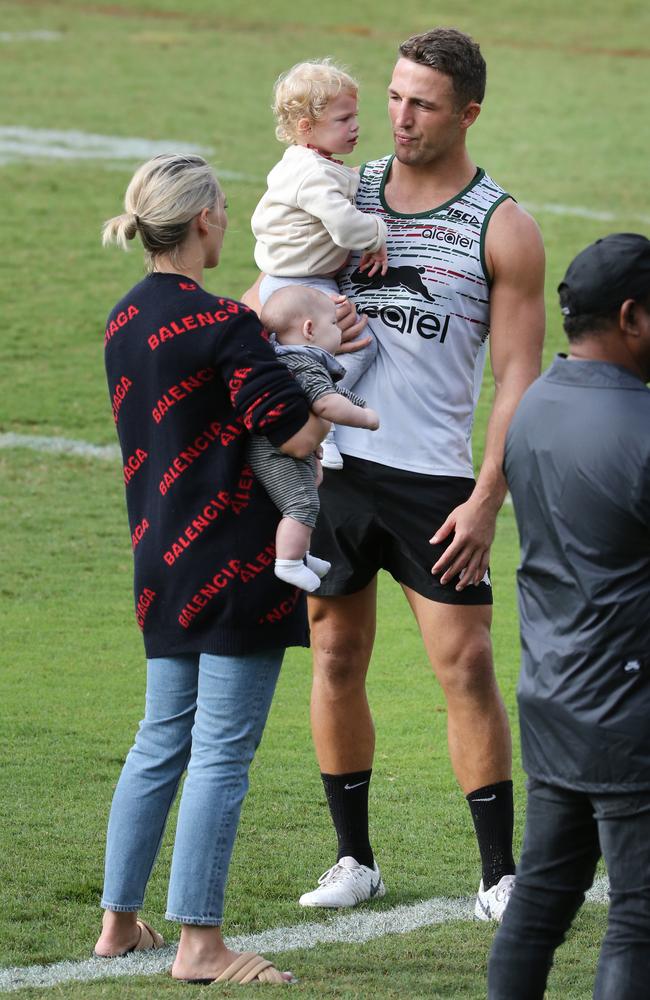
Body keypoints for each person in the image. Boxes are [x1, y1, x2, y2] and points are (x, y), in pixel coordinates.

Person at [245, 27, 546, 916]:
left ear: (468, 113)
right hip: (334, 470)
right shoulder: (340, 182)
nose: (400, 117)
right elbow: (270, 292)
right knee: (333, 657)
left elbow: (518, 375)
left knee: (466, 667)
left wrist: (490, 493)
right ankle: (355, 861)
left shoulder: (503, 225)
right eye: (392, 95)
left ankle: (498, 874)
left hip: (435, 481)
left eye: (422, 102)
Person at [94, 153, 328, 985]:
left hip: (159, 557)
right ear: (201, 222)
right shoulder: (225, 323)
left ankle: (119, 923)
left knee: (160, 741)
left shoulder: (125, 319)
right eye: (223, 209)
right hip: (233, 562)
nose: (228, 220)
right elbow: (294, 431)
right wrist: (325, 365)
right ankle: (200, 945)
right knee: (222, 755)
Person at [488, 233, 650, 999]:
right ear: (632, 319)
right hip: (630, 716)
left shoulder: (535, 406)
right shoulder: (641, 430)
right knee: (641, 917)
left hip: (553, 701)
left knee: (542, 904)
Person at [251, 57, 387, 470]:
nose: (355, 126)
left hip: (288, 282)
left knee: (304, 354)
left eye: (355, 116)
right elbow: (346, 228)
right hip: (303, 288)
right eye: (343, 119)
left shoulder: (307, 163)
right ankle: (325, 419)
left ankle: (308, 414)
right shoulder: (312, 173)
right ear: (307, 127)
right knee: (362, 345)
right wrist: (378, 233)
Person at [248, 285, 379, 592]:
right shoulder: (304, 362)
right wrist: (366, 419)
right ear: (309, 329)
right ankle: (289, 563)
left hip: (279, 450)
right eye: (333, 324)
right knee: (302, 504)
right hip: (276, 453)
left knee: (311, 488)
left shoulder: (290, 358)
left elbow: (330, 393)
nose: (338, 331)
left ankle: (302, 553)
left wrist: (357, 403)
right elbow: (325, 403)